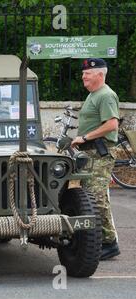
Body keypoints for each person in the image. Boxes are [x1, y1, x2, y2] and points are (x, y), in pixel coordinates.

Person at [71, 58, 120, 260]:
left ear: (100, 74)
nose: (83, 76)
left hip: (100, 153)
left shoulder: (106, 95)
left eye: (88, 73)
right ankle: (99, 240)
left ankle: (109, 243)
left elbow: (112, 124)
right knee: (90, 197)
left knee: (96, 198)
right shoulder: (94, 94)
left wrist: (84, 137)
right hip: (90, 153)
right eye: (83, 73)